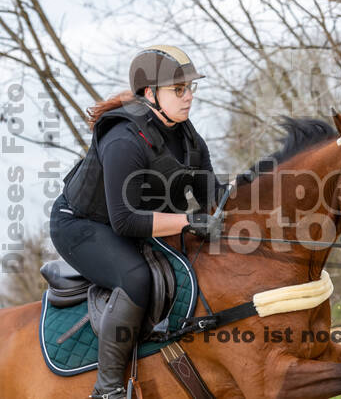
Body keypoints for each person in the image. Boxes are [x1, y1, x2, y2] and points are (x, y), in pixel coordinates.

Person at [49, 45, 223, 398]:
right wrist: (190, 222)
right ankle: (108, 390)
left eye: (191, 88)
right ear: (150, 93)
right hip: (82, 226)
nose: (189, 97)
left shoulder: (187, 135)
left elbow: (213, 198)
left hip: (138, 222)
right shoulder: (123, 139)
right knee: (135, 277)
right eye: (179, 89)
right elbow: (126, 222)